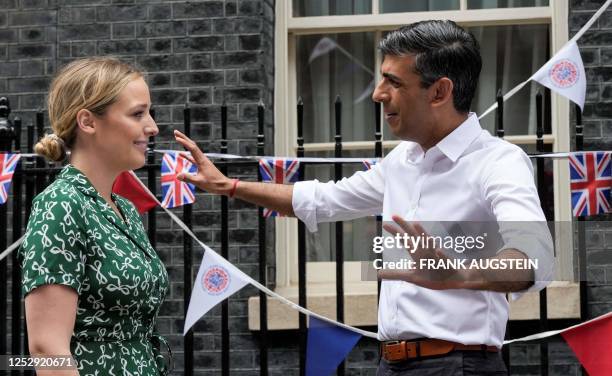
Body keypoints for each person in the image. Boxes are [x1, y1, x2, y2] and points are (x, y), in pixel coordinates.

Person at [174, 20, 553, 375]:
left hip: (459, 366)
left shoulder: (499, 161)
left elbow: (535, 257)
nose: (377, 94)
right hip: (391, 363)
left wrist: (458, 273)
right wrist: (230, 187)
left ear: (440, 91)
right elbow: (323, 200)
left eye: (393, 82)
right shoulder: (401, 162)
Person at [19, 57, 169, 376]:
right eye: (137, 113)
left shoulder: (124, 208)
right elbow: (47, 348)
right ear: (88, 121)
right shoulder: (61, 205)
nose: (152, 127)